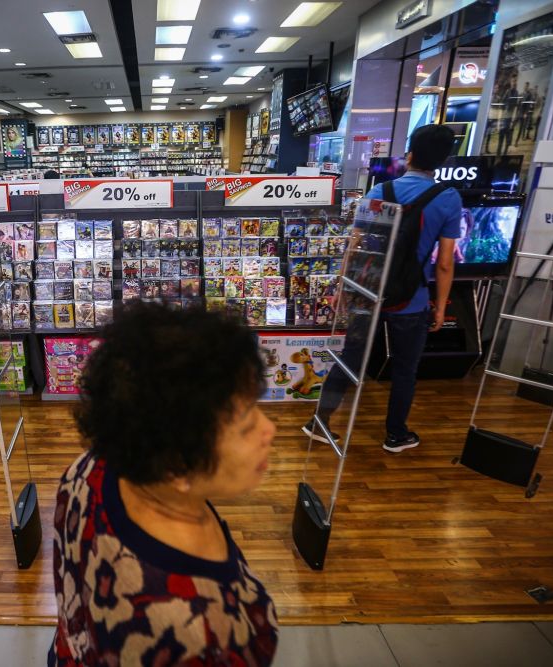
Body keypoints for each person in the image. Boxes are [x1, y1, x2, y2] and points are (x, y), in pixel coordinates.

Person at [50, 302, 279, 665]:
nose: (270, 429)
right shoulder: (197, 633)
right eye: (247, 426)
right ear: (176, 467)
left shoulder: (90, 468)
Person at [305, 124, 460, 454]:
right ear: (442, 161)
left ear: (410, 156)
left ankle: (319, 421)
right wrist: (441, 305)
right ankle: (396, 434)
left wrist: (342, 286)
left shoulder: (379, 191)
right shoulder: (448, 198)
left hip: (368, 292)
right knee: (404, 369)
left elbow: (355, 244)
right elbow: (445, 262)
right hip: (412, 298)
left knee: (351, 357)